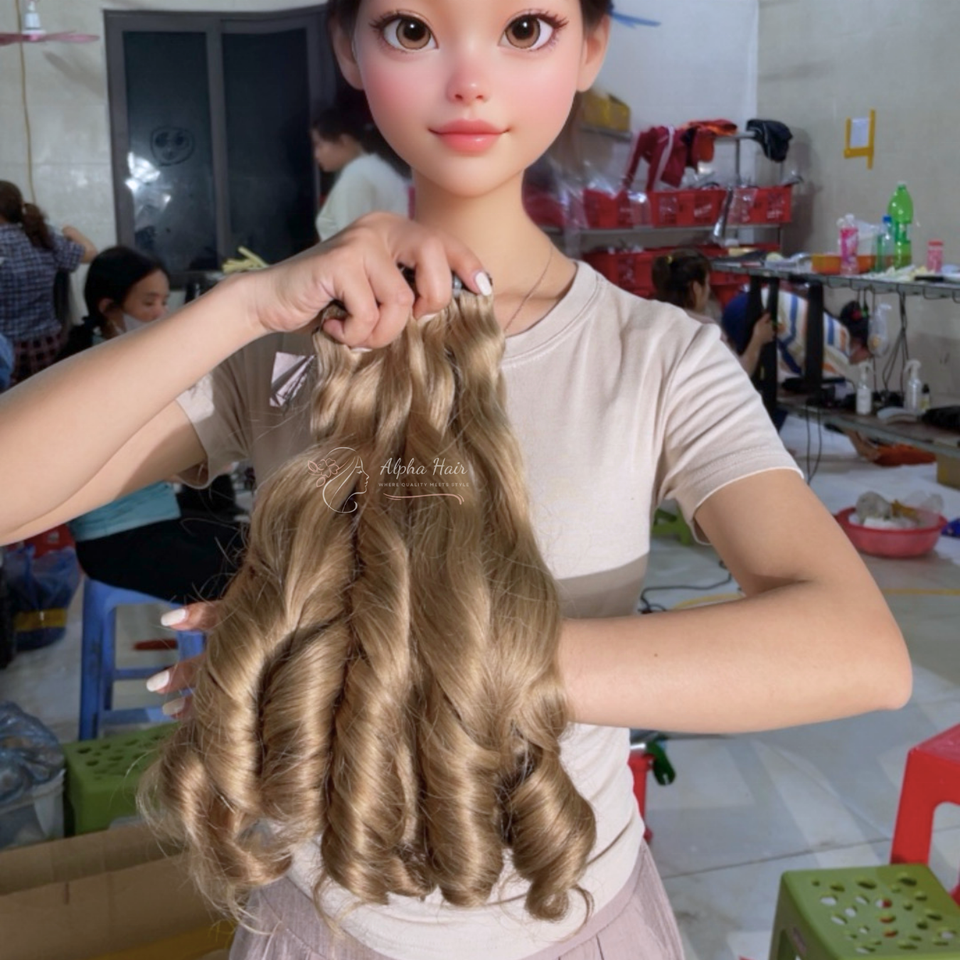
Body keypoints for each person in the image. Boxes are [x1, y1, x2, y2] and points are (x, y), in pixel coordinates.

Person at [0, 2, 910, 959]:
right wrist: (240, 306)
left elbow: (856, 650)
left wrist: (392, 655)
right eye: (411, 30)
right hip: (321, 921)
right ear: (349, 46)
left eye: (524, 29)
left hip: (580, 923)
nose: (470, 80)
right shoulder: (280, 339)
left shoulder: (656, 356)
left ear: (591, 46)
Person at [58, 246, 246, 604]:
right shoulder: (94, 372)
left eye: (163, 301)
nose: (162, 313)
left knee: (265, 547)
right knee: (254, 576)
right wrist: (203, 462)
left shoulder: (126, 358)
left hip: (155, 519)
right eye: (149, 303)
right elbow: (127, 461)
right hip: (116, 540)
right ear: (108, 307)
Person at [0, 180, 97, 386]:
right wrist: (72, 231)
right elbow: (91, 253)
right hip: (47, 344)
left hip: (4, 349)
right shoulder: (43, 238)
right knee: (47, 394)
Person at [652, 248, 775, 376]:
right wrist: (758, 339)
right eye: (707, 283)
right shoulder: (704, 328)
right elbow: (738, 374)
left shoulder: (654, 318)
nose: (709, 290)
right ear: (696, 288)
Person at [312, 89, 411, 241]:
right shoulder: (377, 165)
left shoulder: (357, 174)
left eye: (319, 145)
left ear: (343, 141)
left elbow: (351, 242)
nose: (316, 154)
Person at [721, 288, 872, 384]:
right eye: (869, 356)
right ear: (860, 344)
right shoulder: (840, 344)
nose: (865, 361)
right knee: (776, 387)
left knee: (788, 374)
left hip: (741, 304)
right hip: (751, 312)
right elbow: (828, 388)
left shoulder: (832, 327)